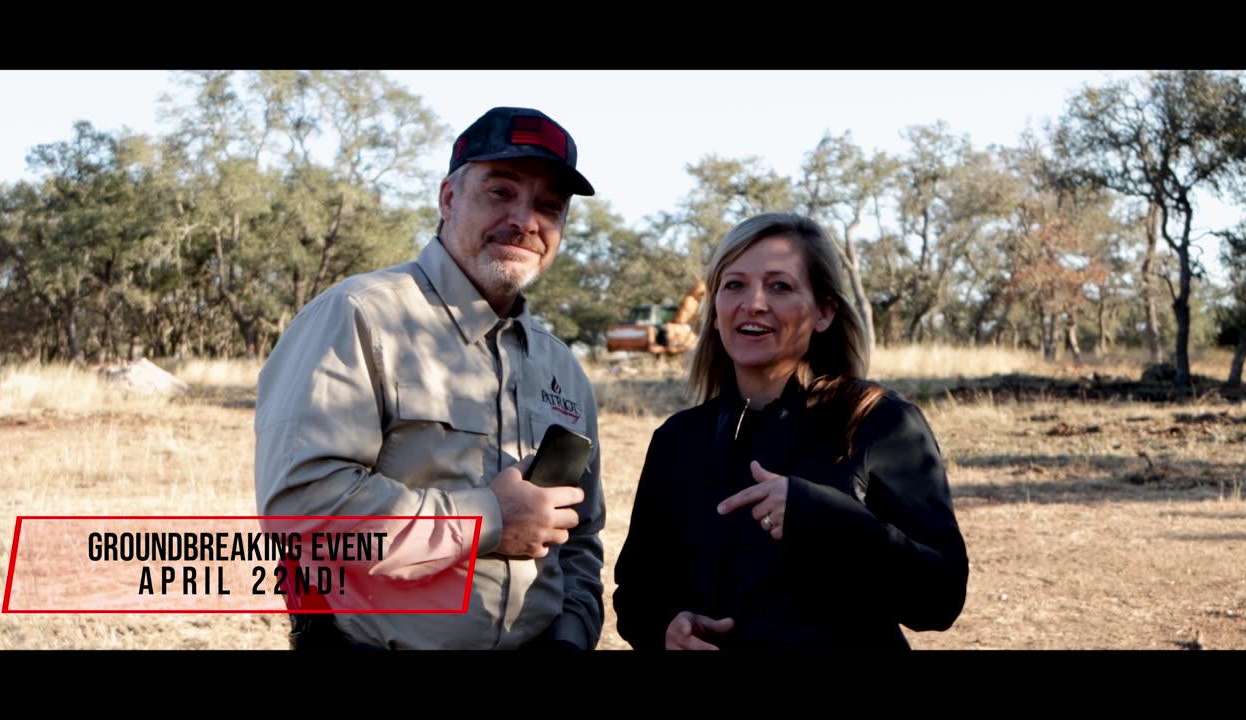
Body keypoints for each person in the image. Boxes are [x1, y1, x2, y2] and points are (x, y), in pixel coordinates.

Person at [255, 106, 605, 651]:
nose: (524, 219)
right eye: (500, 192)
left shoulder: (563, 368)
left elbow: (580, 538)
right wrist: (488, 517)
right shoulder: (358, 317)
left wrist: (572, 636)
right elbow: (304, 514)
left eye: (548, 205)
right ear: (447, 198)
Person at [612, 212, 968, 650]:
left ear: (824, 312)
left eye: (780, 286)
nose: (754, 303)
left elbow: (940, 598)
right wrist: (664, 628)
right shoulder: (677, 439)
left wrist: (821, 515)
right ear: (716, 308)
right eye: (734, 284)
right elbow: (636, 594)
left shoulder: (879, 421)